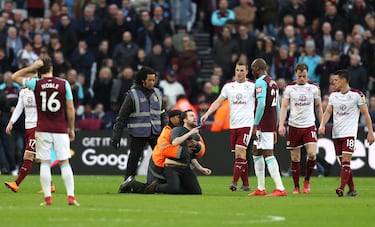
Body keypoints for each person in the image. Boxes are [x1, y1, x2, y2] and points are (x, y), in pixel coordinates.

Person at [11, 57, 79, 206]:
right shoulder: (64, 84)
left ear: (38, 70)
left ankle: (48, 198)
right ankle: (71, 197)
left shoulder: (35, 84)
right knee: (64, 162)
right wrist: (72, 128)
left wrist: (31, 67)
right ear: (52, 68)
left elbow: (14, 77)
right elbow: (70, 108)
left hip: (42, 128)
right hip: (60, 128)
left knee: (45, 163)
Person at [119, 109, 211, 194]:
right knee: (165, 188)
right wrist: (185, 150)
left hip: (179, 166)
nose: (181, 119)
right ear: (173, 119)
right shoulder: (169, 131)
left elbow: (192, 154)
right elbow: (166, 150)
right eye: (179, 117)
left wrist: (199, 166)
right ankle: (134, 184)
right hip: (160, 165)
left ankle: (137, 185)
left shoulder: (190, 132)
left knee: (188, 190)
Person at [318, 69, 374, 197]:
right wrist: (322, 125)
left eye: (336, 80)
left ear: (344, 80)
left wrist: (370, 132)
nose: (334, 82)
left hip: (349, 133)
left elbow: (365, 114)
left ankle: (341, 188)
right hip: (336, 134)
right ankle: (352, 189)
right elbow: (328, 112)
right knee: (343, 163)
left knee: (346, 161)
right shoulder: (333, 96)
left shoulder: (357, 95)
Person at [201, 61, 255, 191]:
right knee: (240, 156)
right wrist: (207, 113)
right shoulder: (228, 87)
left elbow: (262, 102)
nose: (239, 73)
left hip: (247, 124)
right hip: (233, 125)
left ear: (247, 72)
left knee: (240, 153)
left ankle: (234, 183)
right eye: (237, 70)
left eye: (242, 70)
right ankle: (246, 184)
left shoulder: (253, 86)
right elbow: (218, 101)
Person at [4, 69, 56, 193]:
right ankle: (50, 185)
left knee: (28, 155)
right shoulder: (23, 92)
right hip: (28, 127)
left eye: (32, 76)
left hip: (38, 127)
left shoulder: (41, 90)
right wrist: (11, 123)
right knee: (38, 158)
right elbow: (18, 108)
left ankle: (16, 183)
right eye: (27, 77)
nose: (29, 79)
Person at [111, 66, 163, 191]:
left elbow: (162, 113)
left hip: (155, 131)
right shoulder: (132, 95)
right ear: (142, 80)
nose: (152, 83)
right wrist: (116, 136)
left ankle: (163, 182)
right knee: (134, 159)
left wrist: (166, 127)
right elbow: (122, 117)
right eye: (149, 80)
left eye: (153, 80)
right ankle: (127, 183)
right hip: (139, 132)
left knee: (161, 157)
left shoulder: (158, 93)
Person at [278, 63, 323, 194]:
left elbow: (319, 107)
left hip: (309, 125)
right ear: (295, 74)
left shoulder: (314, 88)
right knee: (295, 158)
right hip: (294, 126)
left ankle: (307, 180)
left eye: (304, 76)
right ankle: (296, 186)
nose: (302, 78)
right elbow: (284, 106)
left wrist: (322, 124)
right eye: (300, 76)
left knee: (312, 154)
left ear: (307, 74)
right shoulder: (289, 88)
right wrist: (281, 124)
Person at [249, 58, 287, 197]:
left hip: (263, 123)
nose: (251, 71)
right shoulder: (273, 82)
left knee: (268, 153)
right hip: (270, 123)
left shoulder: (260, 82)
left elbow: (261, 104)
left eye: (252, 68)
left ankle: (280, 188)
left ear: (258, 68)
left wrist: (255, 123)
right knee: (256, 152)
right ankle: (260, 188)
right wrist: (275, 126)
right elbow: (277, 106)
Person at [154, 109, 210, 194]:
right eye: (191, 116)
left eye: (195, 116)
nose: (195, 118)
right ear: (185, 120)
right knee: (173, 189)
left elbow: (190, 155)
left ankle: (175, 187)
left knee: (196, 192)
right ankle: (155, 187)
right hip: (172, 166)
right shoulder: (177, 130)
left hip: (185, 167)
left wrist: (200, 168)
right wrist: (189, 134)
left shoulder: (195, 135)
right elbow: (175, 142)